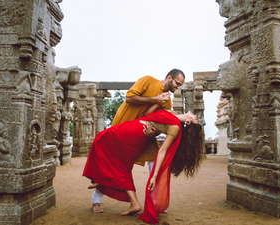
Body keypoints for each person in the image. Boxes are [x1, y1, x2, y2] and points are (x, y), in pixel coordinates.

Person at [83, 109, 205, 224]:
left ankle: (103, 181)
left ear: (188, 122)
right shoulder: (172, 113)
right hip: (132, 126)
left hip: (134, 133)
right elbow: (151, 117)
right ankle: (103, 180)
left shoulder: (175, 127)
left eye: (195, 119)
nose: (195, 115)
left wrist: (154, 175)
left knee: (107, 146)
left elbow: (162, 150)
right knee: (110, 152)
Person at [91, 69, 185, 213]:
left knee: (155, 160)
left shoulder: (167, 100)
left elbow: (160, 121)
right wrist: (155, 99)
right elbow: (129, 97)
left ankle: (155, 201)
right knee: (116, 163)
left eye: (180, 86)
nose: (177, 88)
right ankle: (96, 200)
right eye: (177, 84)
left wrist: (154, 133)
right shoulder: (148, 80)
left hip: (144, 135)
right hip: (124, 126)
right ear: (169, 78)